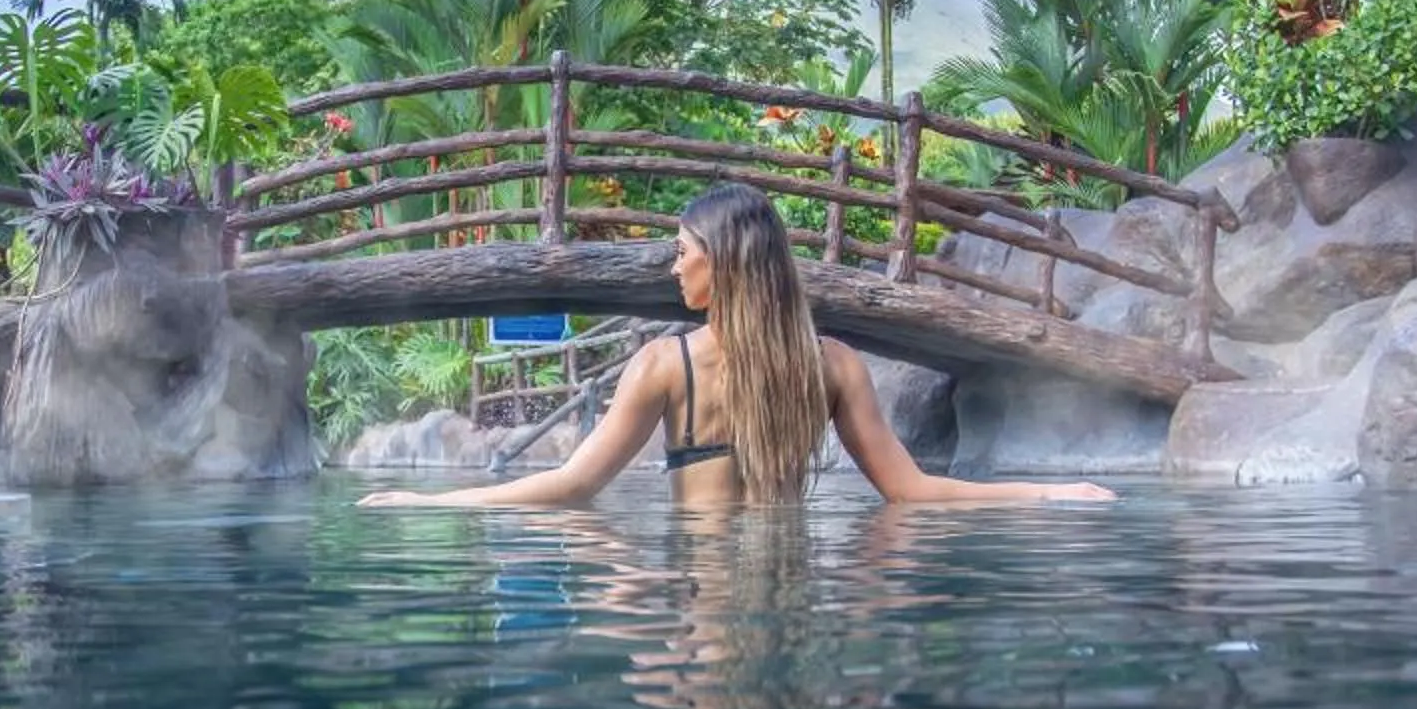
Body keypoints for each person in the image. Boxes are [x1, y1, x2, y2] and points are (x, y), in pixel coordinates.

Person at [360, 182, 1119, 509]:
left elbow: (573, 484)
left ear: (719, 264)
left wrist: (432, 504)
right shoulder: (831, 365)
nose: (672, 267)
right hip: (790, 580)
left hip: (700, 578)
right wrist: (1049, 493)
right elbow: (912, 491)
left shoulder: (664, 365)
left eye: (681, 251)